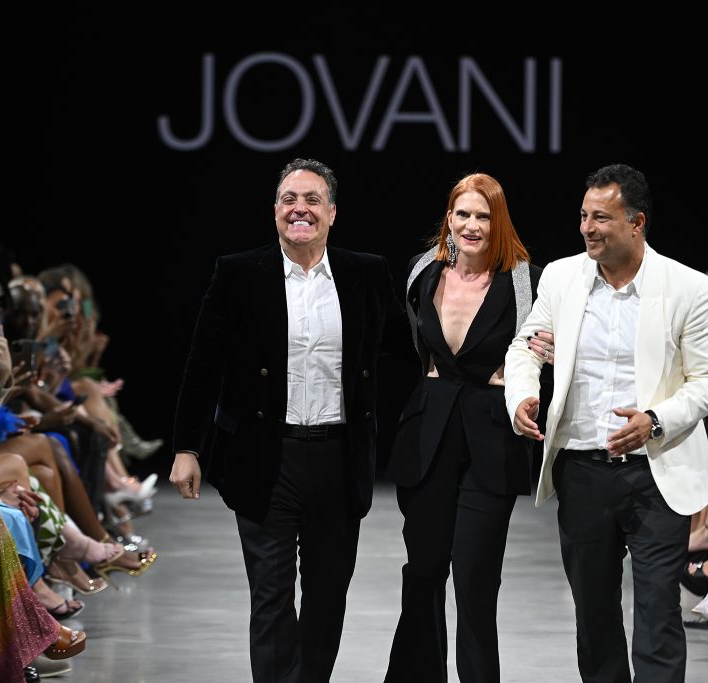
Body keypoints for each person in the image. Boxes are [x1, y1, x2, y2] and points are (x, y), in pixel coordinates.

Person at [170, 158, 394, 683]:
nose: (300, 209)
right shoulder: (240, 273)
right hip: (265, 458)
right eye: (290, 199)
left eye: (313, 200)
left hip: (338, 460)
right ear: (275, 211)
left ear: (332, 213)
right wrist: (187, 446)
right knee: (270, 598)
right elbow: (204, 364)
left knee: (326, 597)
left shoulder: (364, 273)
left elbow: (406, 349)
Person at [504, 163, 708, 682]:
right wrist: (521, 395)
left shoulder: (688, 288)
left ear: (637, 222)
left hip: (656, 471)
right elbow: (525, 346)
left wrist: (654, 419)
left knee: (657, 614)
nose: (587, 227)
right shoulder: (562, 277)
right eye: (583, 216)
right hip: (582, 470)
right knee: (594, 615)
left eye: (601, 217)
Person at [384, 173, 544, 683]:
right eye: (463, 214)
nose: (472, 225)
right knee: (424, 573)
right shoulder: (421, 274)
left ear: (499, 222)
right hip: (428, 433)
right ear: (448, 219)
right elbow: (413, 346)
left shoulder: (525, 280)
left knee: (475, 582)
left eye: (483, 215)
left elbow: (545, 350)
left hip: (490, 439)